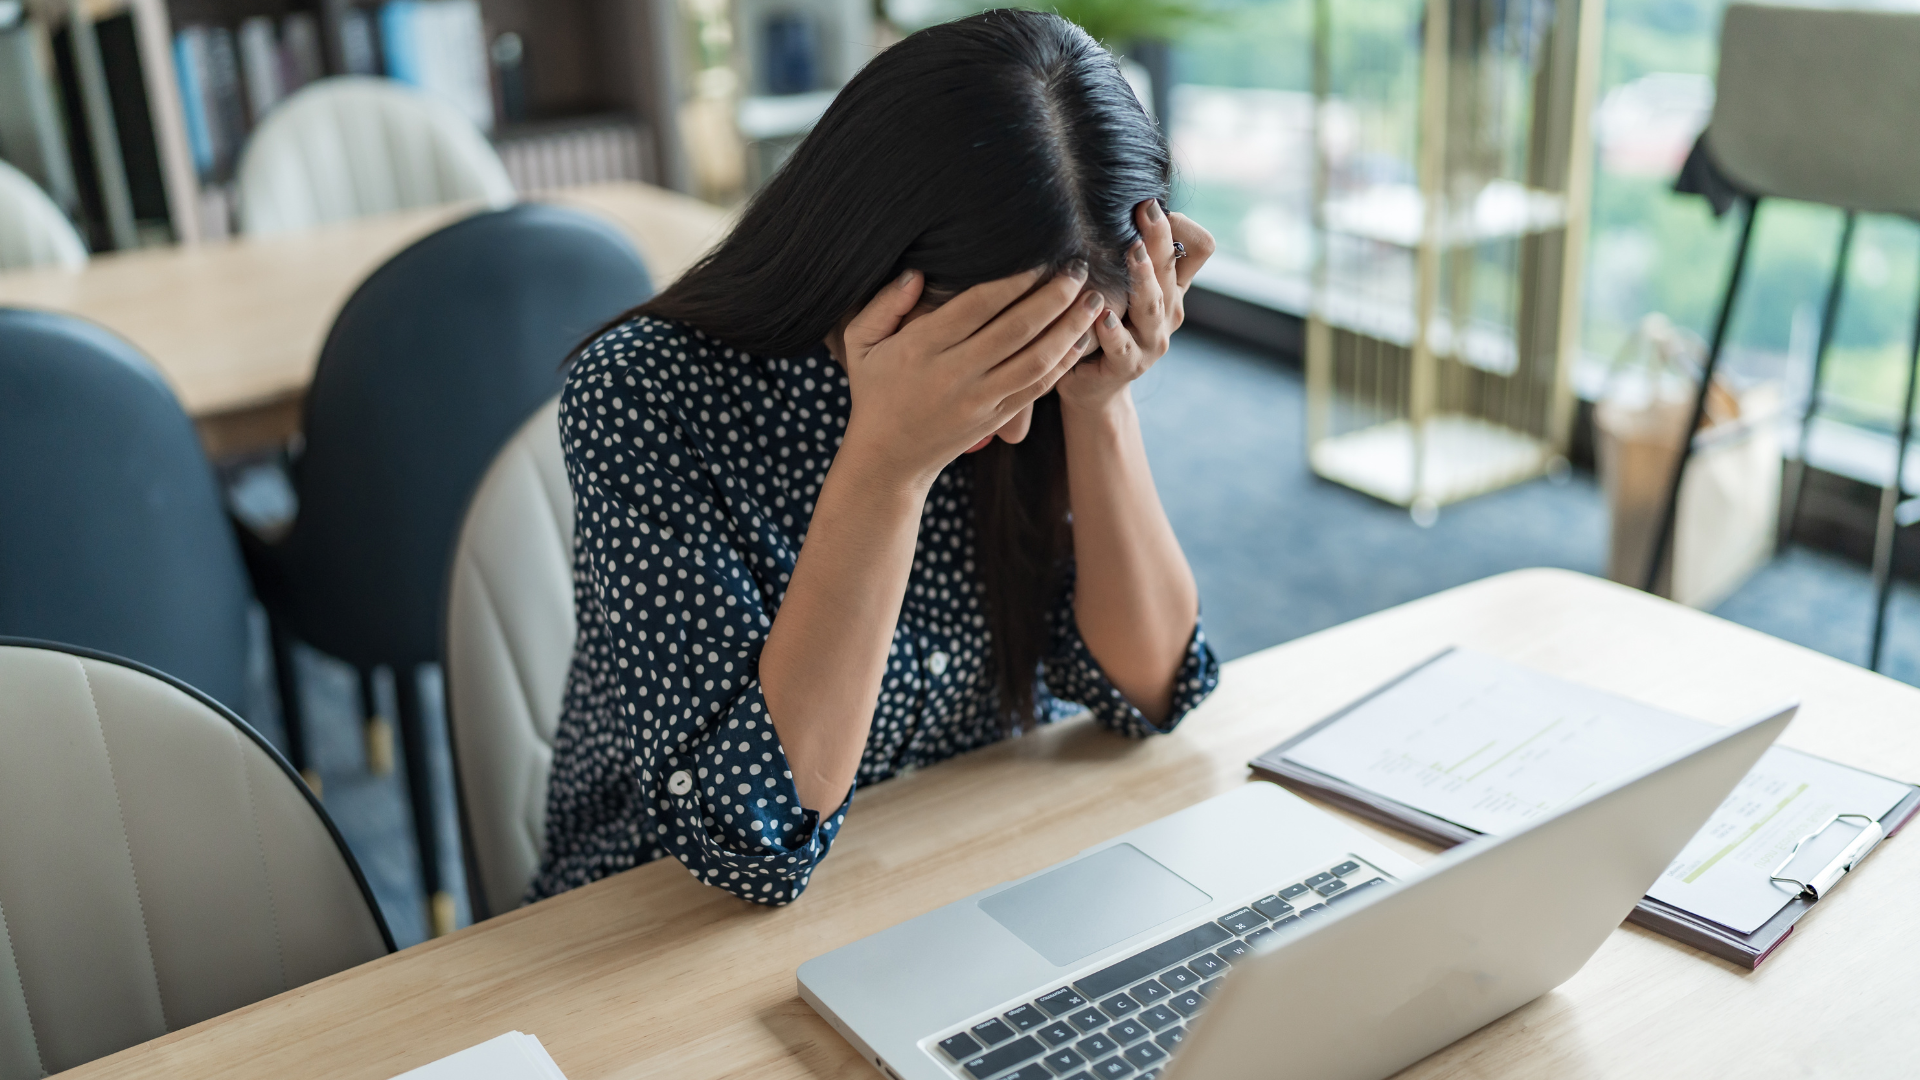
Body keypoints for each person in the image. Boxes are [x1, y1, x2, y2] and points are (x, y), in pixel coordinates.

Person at [530, 8, 1221, 907]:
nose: (1014, 416)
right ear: (866, 262)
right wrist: (890, 463)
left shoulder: (1057, 364)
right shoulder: (647, 396)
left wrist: (1099, 401)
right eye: (994, 363)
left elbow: (1150, 690)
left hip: (945, 865)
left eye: (1054, 356)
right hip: (659, 915)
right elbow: (752, 843)